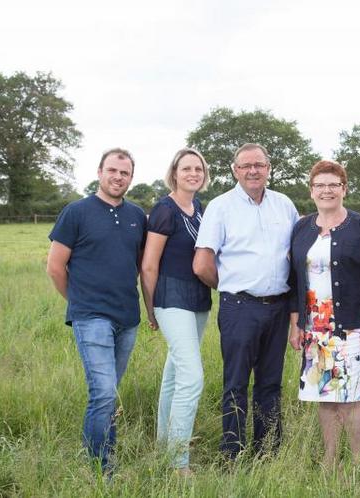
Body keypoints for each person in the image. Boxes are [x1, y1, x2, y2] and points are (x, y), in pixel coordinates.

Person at [193, 143, 299, 460]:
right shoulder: (221, 207)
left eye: (259, 165)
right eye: (245, 166)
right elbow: (201, 264)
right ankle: (233, 454)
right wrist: (229, 286)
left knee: (270, 383)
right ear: (235, 170)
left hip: (278, 307)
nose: (253, 171)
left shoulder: (284, 205)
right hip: (239, 307)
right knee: (236, 383)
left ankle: (267, 452)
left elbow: (297, 253)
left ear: (269, 168)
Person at [46, 148, 147, 474]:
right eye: (113, 171)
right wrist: (79, 303)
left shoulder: (136, 216)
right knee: (102, 393)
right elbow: (55, 266)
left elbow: (142, 265)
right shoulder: (76, 212)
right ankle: (101, 469)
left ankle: (106, 451)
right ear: (100, 172)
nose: (118, 177)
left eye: (125, 173)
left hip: (127, 317)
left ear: (131, 177)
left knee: (110, 392)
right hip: (91, 316)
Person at [288, 160, 360, 468]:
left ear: (344, 189)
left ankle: (357, 463)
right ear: (311, 191)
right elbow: (294, 281)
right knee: (324, 397)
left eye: (333, 185)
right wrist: (296, 325)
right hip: (314, 329)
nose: (326, 190)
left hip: (353, 327)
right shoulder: (302, 228)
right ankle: (330, 459)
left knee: (352, 401)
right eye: (320, 185)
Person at [140, 148, 212, 474]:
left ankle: (162, 444)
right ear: (175, 172)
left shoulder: (200, 209)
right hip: (171, 298)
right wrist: (151, 307)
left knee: (173, 374)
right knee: (191, 377)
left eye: (198, 168)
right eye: (187, 168)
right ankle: (177, 463)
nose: (193, 173)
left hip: (198, 298)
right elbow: (149, 264)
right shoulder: (164, 210)